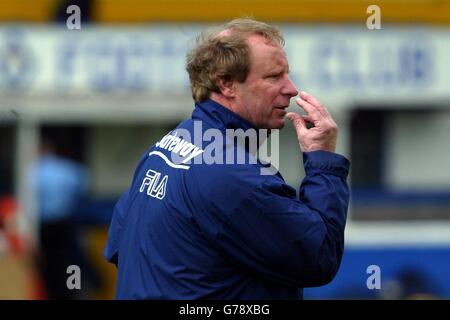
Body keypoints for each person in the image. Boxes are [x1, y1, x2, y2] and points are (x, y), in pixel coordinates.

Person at [104, 18, 350, 299]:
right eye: (274, 77)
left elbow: (117, 247)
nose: (291, 88)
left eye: (287, 74)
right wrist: (322, 162)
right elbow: (318, 257)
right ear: (226, 84)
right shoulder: (234, 175)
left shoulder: (163, 149)